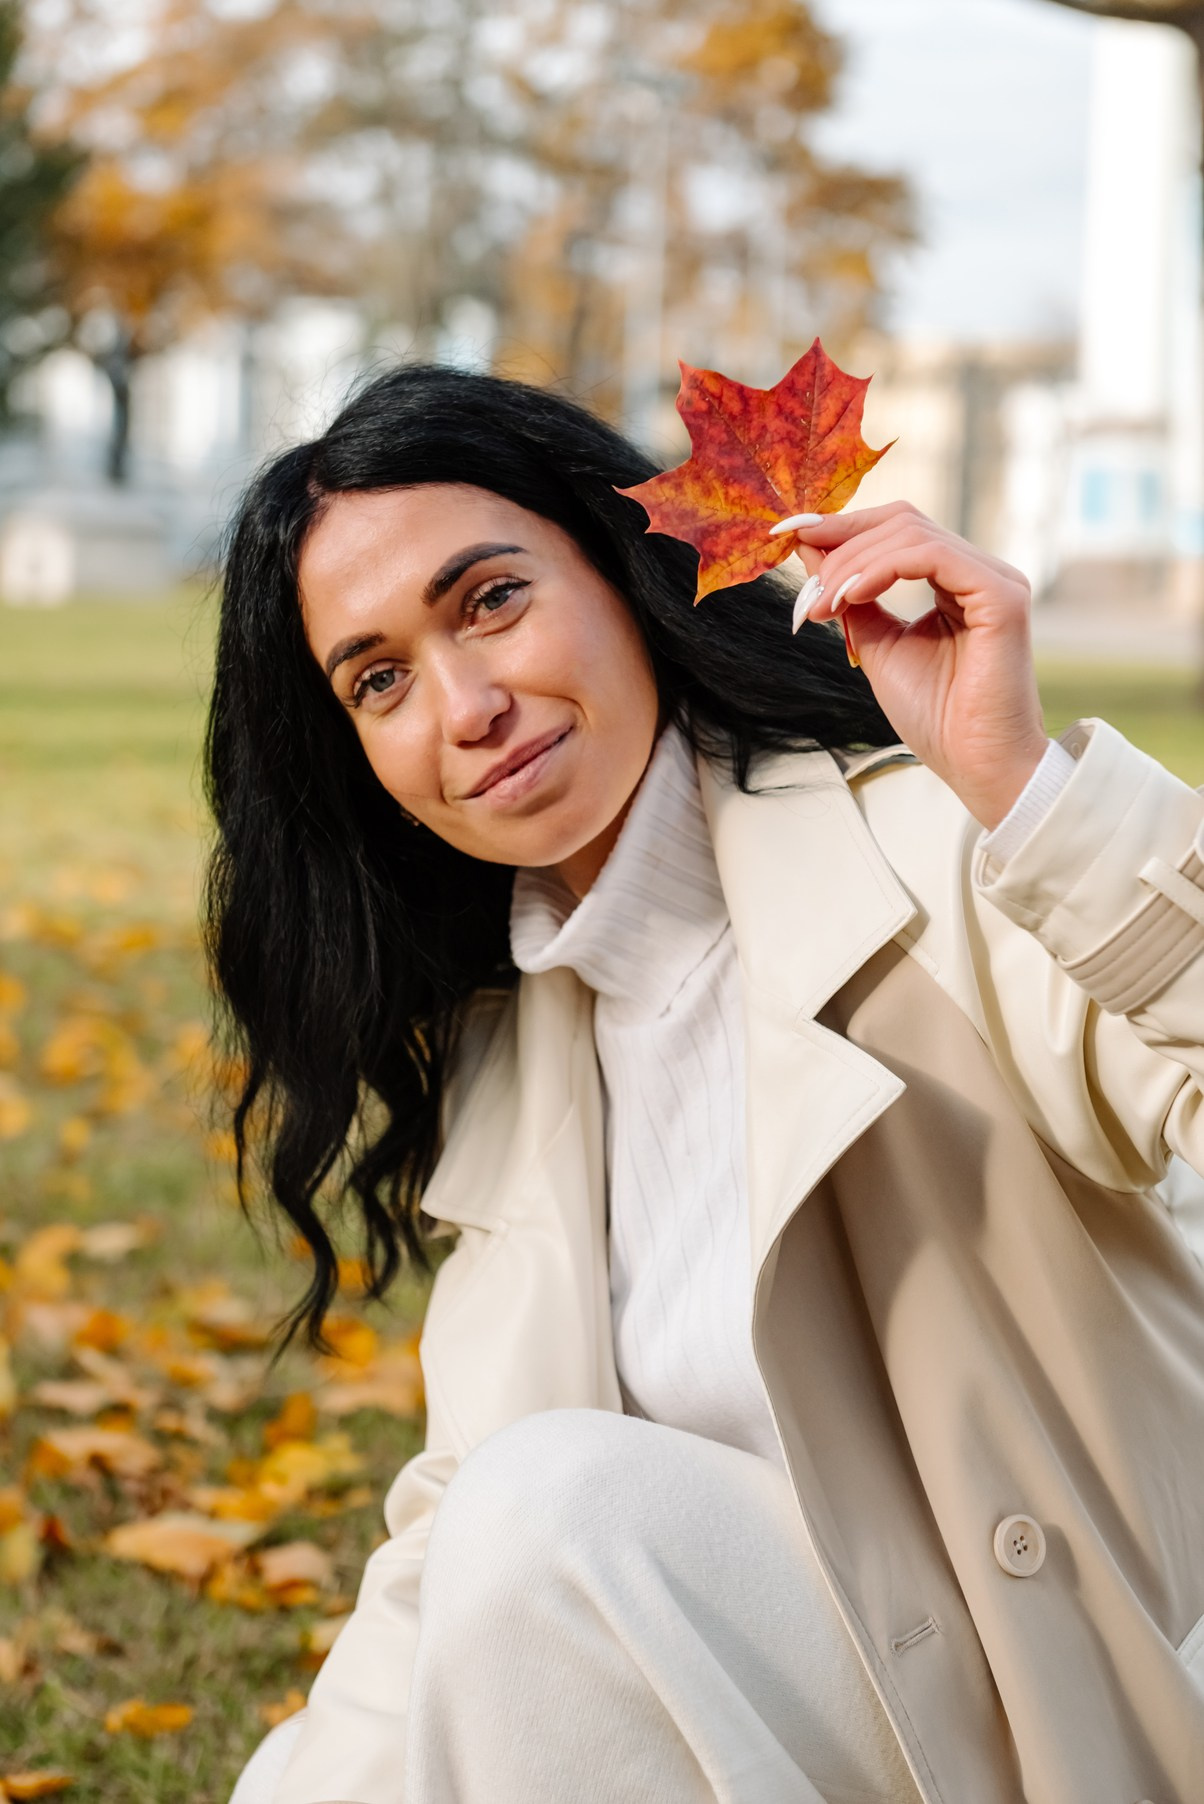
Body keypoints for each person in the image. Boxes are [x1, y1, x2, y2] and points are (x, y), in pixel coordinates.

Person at [212, 363, 1204, 1804]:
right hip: (790, 1722)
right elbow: (455, 1557)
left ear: (623, 573)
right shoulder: (520, 1049)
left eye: (491, 599)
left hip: (1074, 1724)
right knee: (530, 1526)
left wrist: (1025, 789)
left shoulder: (944, 857)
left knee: (556, 1512)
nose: (468, 706)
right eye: (381, 680)